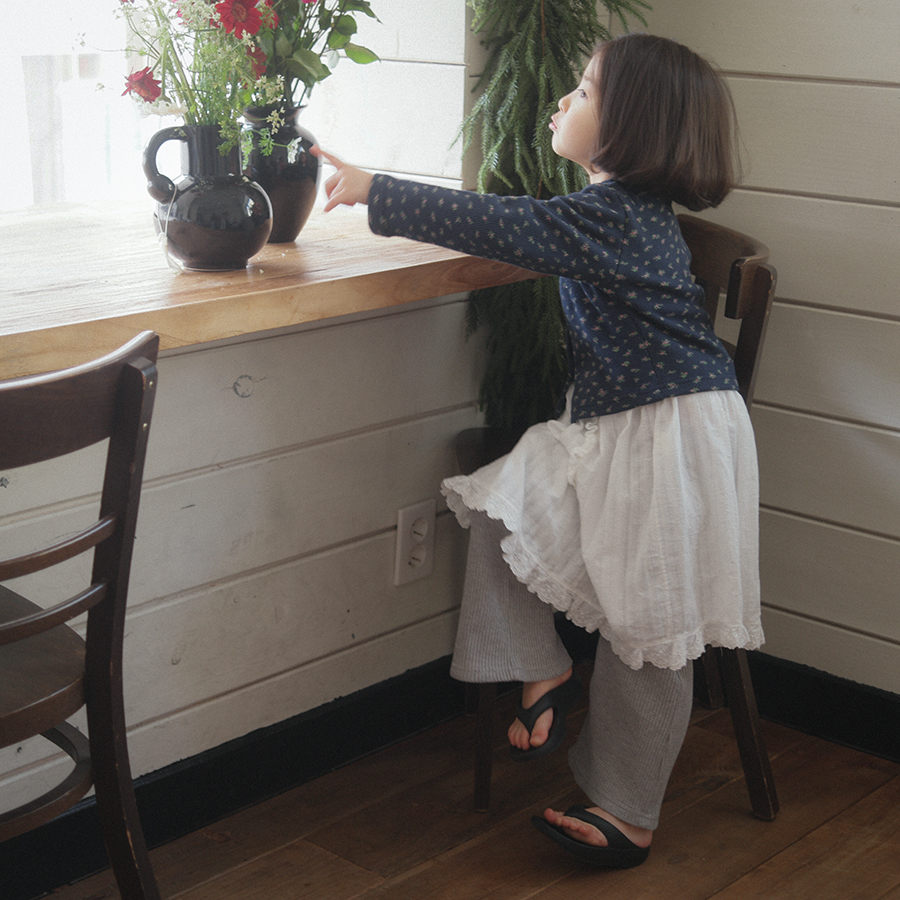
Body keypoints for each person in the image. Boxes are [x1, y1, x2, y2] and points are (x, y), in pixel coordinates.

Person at [313, 32, 762, 869]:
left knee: (647, 628)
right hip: (616, 425)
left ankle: (628, 812)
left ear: (633, 127)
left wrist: (378, 189)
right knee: (500, 505)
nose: (563, 100)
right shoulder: (614, 212)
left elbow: (506, 224)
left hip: (668, 433)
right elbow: (528, 227)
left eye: (584, 92)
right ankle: (542, 665)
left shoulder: (614, 218)